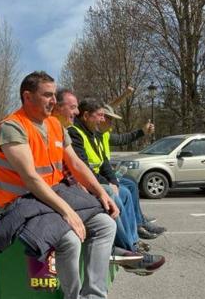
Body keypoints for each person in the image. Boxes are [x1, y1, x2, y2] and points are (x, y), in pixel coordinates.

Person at [0, 71, 130, 299]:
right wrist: (68, 211)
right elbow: (30, 178)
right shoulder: (12, 127)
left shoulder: (54, 125)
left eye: (54, 94)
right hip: (20, 204)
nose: (54, 100)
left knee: (105, 224)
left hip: (51, 197)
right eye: (47, 95)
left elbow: (75, 163)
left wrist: (101, 193)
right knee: (70, 239)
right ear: (27, 96)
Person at [68, 98, 165, 275]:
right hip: (84, 183)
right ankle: (130, 254)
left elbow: (103, 162)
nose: (104, 120)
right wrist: (106, 185)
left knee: (126, 191)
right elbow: (81, 167)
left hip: (95, 179)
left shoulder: (92, 132)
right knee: (111, 196)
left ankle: (133, 241)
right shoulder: (75, 132)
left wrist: (113, 181)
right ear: (87, 116)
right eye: (101, 116)